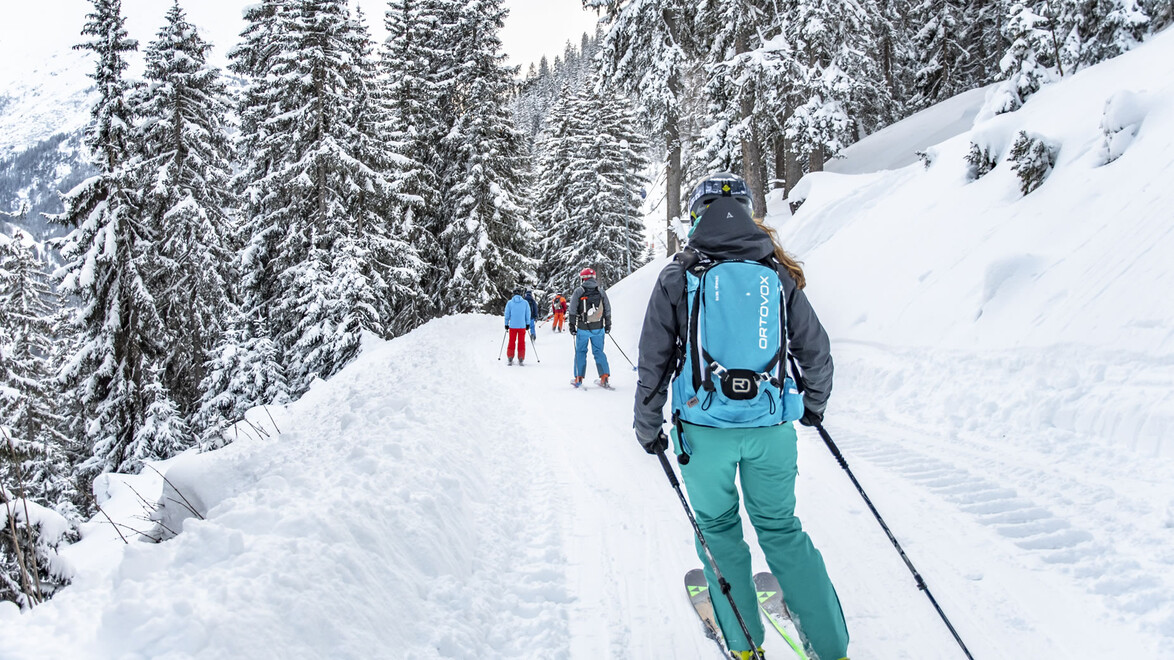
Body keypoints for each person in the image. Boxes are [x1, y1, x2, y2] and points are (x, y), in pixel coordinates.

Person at [632, 172, 849, 660]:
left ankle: (745, 647)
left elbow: (653, 363)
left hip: (703, 433)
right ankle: (832, 649)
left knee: (718, 533)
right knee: (782, 531)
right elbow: (816, 352)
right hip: (771, 430)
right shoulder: (774, 273)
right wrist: (813, 407)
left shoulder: (678, 275)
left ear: (695, 217)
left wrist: (648, 427)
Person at [567, 268, 611, 387]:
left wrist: (572, 325)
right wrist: (608, 324)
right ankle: (604, 377)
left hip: (583, 328)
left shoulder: (579, 291)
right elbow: (607, 308)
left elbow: (572, 309)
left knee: (580, 351)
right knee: (599, 351)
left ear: (583, 278)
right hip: (598, 328)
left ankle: (578, 378)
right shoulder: (601, 291)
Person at [503, 286, 533, 366]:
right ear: (521, 294)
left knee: (511, 341)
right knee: (521, 342)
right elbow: (528, 314)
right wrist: (528, 324)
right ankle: (521, 357)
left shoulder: (509, 303)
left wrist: (506, 324)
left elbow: (507, 314)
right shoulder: (525, 303)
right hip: (522, 326)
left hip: (512, 326)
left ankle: (510, 356)